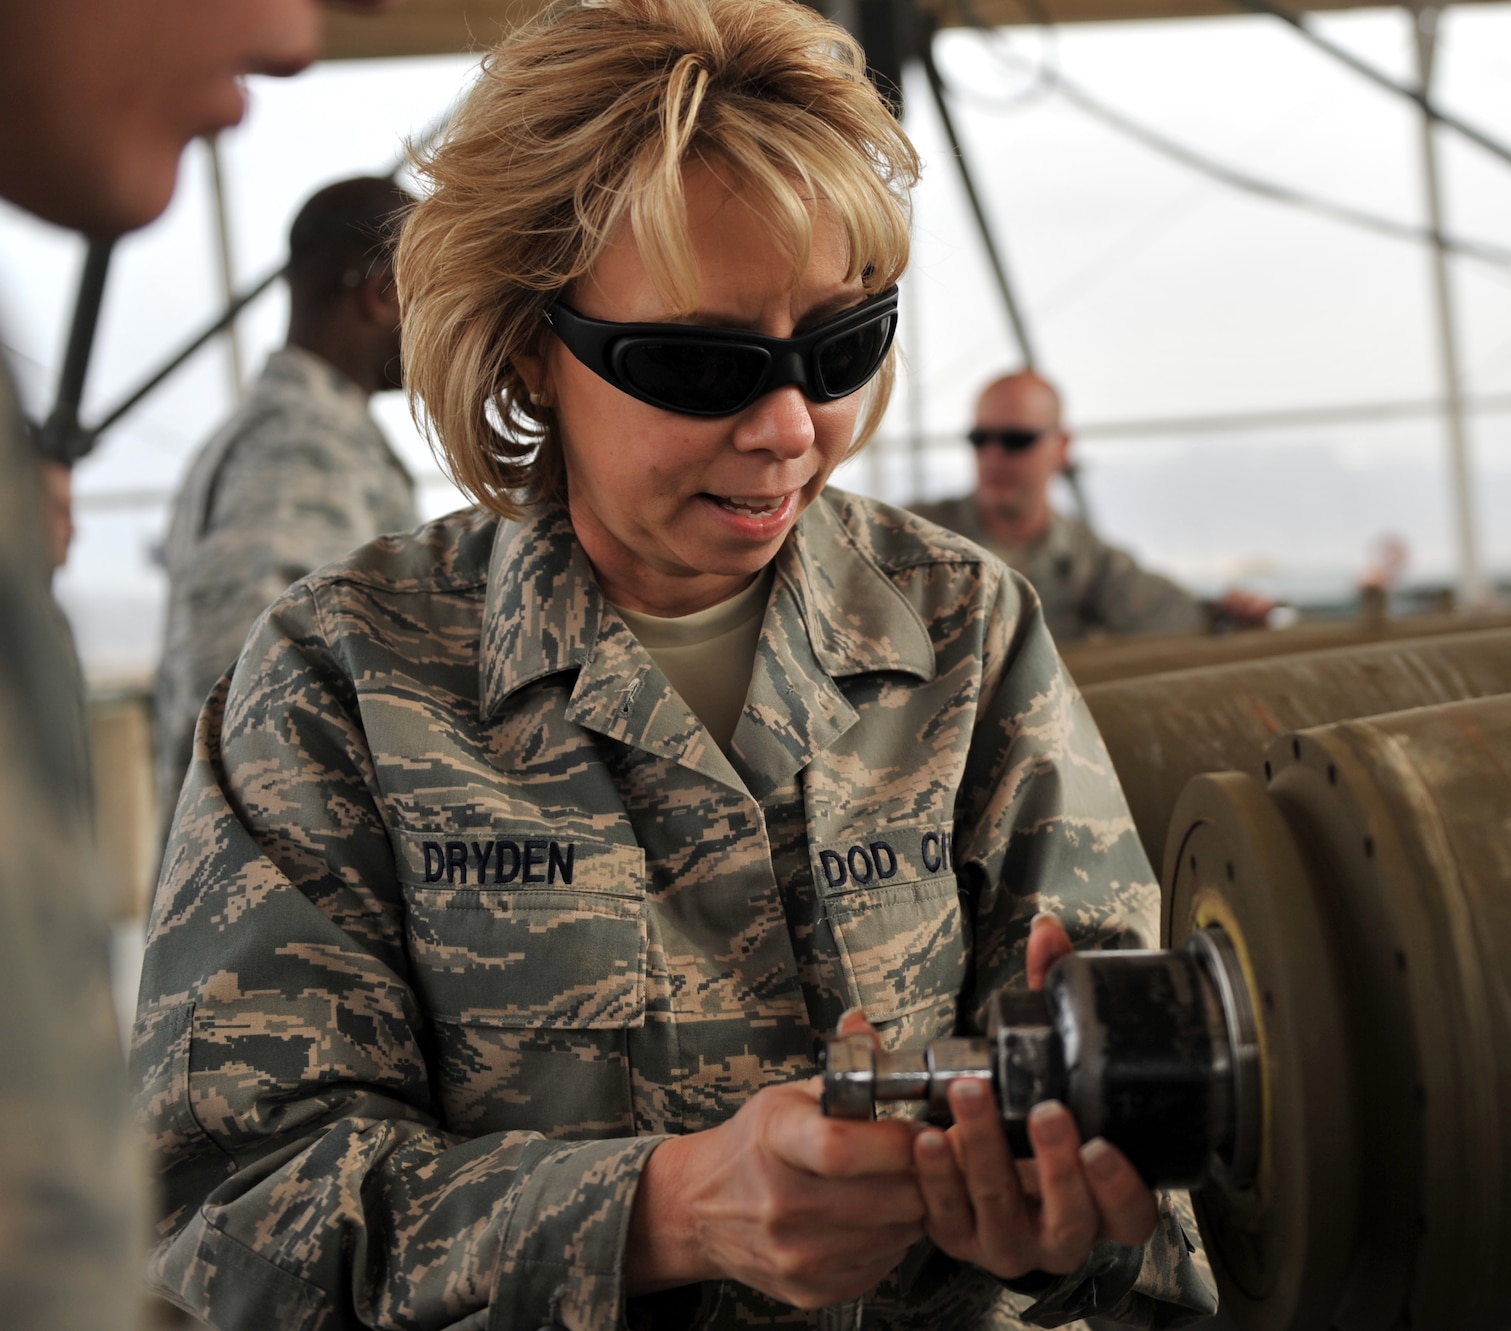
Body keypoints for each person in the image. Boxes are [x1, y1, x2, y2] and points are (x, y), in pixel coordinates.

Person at [134, 1, 1218, 1327]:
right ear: (530, 346)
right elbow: (226, 1221)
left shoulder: (961, 629)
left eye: (842, 348)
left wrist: (1066, 1221)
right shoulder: (344, 682)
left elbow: (1156, 1150)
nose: (786, 431)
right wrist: (666, 1211)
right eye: (700, 363)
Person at [0, 0, 393, 1326]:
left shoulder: (307, 438)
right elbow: (258, 725)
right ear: (378, 287)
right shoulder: (296, 453)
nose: (295, 45)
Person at [153, 174, 418, 830]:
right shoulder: (301, 445)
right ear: (383, 294)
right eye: (434, 290)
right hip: (287, 896)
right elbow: (254, 696)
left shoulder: (275, 429)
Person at [911, 372, 1277, 642]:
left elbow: (1162, 612)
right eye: (980, 439)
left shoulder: (1085, 560)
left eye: (1015, 440)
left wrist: (1233, 618)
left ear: (1062, 446)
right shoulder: (915, 538)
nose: (992, 455)